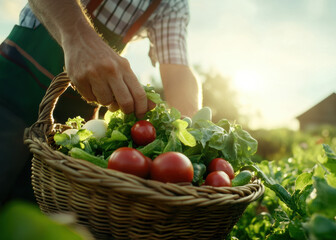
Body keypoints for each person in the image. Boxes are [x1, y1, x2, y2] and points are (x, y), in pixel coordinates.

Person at [0, 0, 201, 205]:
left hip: (74, 120)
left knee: (38, 211)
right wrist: (77, 39)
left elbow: (177, 71)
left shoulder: (172, 4)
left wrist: (191, 147)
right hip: (12, 85)